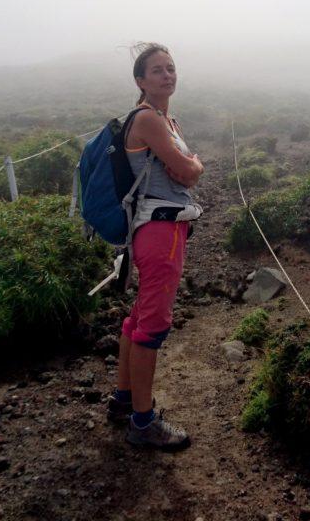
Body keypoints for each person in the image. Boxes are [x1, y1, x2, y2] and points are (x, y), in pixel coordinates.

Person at [105, 42, 204, 450]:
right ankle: (143, 424)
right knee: (153, 325)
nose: (168, 75)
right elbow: (187, 171)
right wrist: (194, 164)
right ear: (140, 81)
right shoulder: (148, 120)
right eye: (158, 70)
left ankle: (124, 400)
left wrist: (185, 167)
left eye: (171, 68)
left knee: (138, 317)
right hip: (161, 230)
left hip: (159, 228)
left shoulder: (167, 120)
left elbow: (180, 171)